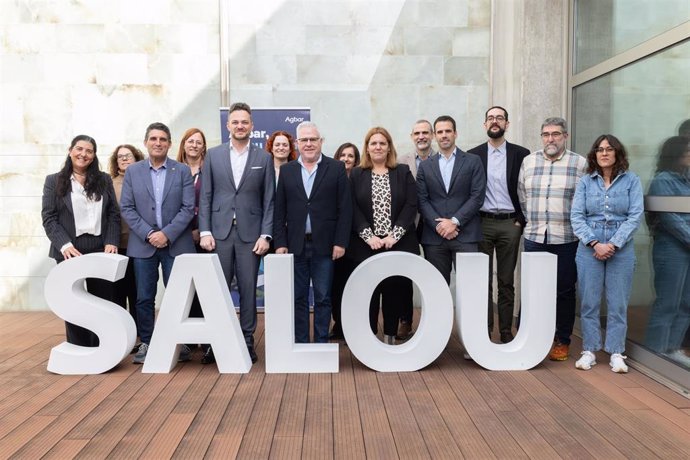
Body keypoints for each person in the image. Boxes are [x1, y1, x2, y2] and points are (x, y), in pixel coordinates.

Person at [199, 103, 275, 364]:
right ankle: (216, 341)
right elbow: (206, 195)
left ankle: (246, 339)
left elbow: (269, 201)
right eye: (236, 122)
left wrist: (266, 235)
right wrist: (205, 230)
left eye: (245, 122)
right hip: (218, 234)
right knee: (217, 290)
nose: (240, 126)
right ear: (228, 125)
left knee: (247, 289)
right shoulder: (214, 155)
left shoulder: (263, 158)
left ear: (252, 126)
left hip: (250, 236)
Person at [120, 122, 196, 364]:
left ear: (170, 144)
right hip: (143, 245)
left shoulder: (182, 171)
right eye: (153, 138)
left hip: (176, 244)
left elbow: (188, 208)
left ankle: (178, 342)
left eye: (163, 139)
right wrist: (150, 233)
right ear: (146, 142)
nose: (158, 143)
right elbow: (127, 208)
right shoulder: (133, 171)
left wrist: (167, 234)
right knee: (143, 297)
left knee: (178, 295)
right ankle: (148, 342)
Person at [273, 121, 352, 343]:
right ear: (296, 143)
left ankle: (321, 342)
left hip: (325, 246)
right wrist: (280, 242)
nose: (308, 144)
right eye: (304, 140)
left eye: (313, 139)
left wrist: (340, 242)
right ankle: (300, 342)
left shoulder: (335, 168)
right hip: (295, 245)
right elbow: (280, 210)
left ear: (321, 142)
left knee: (323, 297)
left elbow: (345, 209)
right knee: (298, 297)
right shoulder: (287, 171)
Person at [571, 134, 643, 373]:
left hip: (620, 249)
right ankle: (589, 350)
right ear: (595, 154)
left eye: (609, 149)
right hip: (589, 249)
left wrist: (613, 243)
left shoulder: (631, 180)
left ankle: (616, 352)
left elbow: (635, 216)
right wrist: (594, 243)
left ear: (617, 153)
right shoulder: (585, 182)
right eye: (600, 149)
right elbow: (577, 217)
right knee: (589, 302)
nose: (604, 153)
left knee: (618, 303)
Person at [518, 117, 587, 361]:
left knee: (565, 290)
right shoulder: (529, 162)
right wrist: (533, 221)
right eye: (546, 134)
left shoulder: (579, 163)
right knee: (533, 288)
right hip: (535, 235)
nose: (550, 139)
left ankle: (562, 340)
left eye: (556, 134)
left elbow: (584, 200)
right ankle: (530, 337)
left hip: (567, 237)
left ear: (565, 136)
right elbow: (523, 196)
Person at [42, 135, 120, 347]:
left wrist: (111, 241)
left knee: (102, 301)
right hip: (69, 250)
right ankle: (78, 347)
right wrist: (64, 245)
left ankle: (102, 346)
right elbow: (49, 217)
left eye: (89, 151)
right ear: (70, 150)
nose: (83, 154)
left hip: (99, 248)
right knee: (73, 303)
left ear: (94, 156)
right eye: (79, 149)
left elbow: (113, 213)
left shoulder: (103, 179)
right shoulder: (54, 181)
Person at [349, 128, 419, 344]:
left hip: (396, 244)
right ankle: (368, 339)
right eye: (373, 143)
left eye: (382, 143)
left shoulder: (402, 171)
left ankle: (389, 335)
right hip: (365, 245)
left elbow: (411, 204)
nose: (378, 147)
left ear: (389, 147)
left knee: (394, 290)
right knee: (368, 292)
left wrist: (394, 235)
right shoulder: (357, 174)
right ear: (367, 148)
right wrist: (368, 236)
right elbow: (351, 207)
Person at [467, 106, 530, 344]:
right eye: (491, 118)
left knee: (506, 280)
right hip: (481, 223)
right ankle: (484, 329)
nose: (495, 121)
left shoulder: (521, 154)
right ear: (485, 124)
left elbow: (527, 188)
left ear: (507, 123)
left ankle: (505, 330)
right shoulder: (472, 155)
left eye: (500, 118)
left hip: (509, 224)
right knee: (482, 280)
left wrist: (521, 220)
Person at [416, 115, 486, 285]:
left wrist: (454, 221)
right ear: (434, 135)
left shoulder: (473, 161)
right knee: (437, 287)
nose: (444, 135)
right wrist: (440, 226)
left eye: (448, 131)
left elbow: (477, 196)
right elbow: (422, 200)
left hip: (466, 234)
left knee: (470, 287)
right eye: (440, 132)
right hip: (435, 237)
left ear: (456, 133)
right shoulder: (425, 166)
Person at [645, 136, 690, 367]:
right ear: (676, 153)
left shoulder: (686, 180)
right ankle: (655, 352)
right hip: (671, 249)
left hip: (687, 249)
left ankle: (671, 348)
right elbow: (672, 220)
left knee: (686, 303)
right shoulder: (663, 181)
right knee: (668, 302)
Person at [396, 119, 437, 340]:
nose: (421, 137)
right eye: (417, 133)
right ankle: (405, 320)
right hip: (408, 225)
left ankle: (433, 320)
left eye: (425, 133)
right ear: (412, 136)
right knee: (405, 274)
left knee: (433, 274)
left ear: (432, 135)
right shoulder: (401, 162)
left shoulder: (442, 160)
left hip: (433, 225)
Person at [176, 128, 208, 362]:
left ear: (203, 147)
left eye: (199, 142)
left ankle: (208, 337)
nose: (194, 145)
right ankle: (186, 339)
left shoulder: (210, 170)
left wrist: (202, 229)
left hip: (207, 236)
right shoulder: (174, 169)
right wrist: (187, 230)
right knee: (186, 288)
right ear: (183, 144)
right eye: (190, 141)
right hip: (180, 235)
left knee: (206, 288)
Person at [108, 144, 144, 340]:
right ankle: (122, 335)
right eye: (120, 156)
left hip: (140, 245)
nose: (123, 159)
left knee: (138, 293)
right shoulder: (109, 183)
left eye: (127, 156)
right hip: (117, 247)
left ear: (136, 158)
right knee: (118, 292)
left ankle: (140, 334)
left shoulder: (144, 180)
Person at [329, 142, 360, 340]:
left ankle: (354, 326)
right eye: (343, 155)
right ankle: (339, 325)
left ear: (356, 160)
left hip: (358, 241)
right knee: (336, 286)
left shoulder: (361, 179)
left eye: (350, 156)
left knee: (355, 285)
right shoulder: (332, 178)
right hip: (337, 241)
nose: (346, 159)